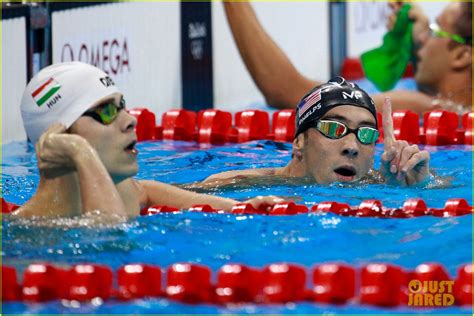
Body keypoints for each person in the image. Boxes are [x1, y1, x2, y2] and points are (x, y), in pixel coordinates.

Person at [14, 62, 282, 220]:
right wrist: (81, 153)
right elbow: (105, 241)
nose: (129, 119)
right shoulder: (30, 229)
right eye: (107, 111)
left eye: (123, 106)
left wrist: (241, 208)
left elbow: (147, 190)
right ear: (59, 137)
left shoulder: (126, 192)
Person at [223, 2, 472, 114]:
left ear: (462, 55)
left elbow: (289, 94)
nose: (422, 40)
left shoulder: (424, 107)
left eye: (434, 30)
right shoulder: (457, 112)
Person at [203, 77, 430, 186]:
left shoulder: (380, 182)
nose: (352, 147)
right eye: (333, 128)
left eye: (366, 134)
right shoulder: (240, 185)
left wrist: (416, 185)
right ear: (299, 141)